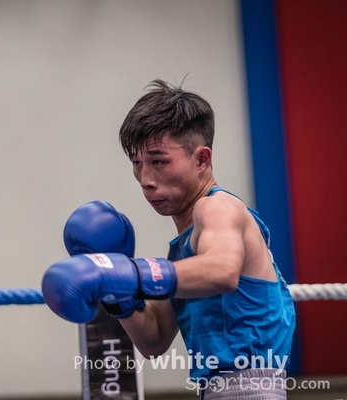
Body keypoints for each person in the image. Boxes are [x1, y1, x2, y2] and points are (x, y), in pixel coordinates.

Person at [42, 79, 296, 399]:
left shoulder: (217, 208)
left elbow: (223, 270)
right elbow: (154, 341)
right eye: (137, 163)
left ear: (202, 159)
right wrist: (119, 295)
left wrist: (130, 274)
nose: (145, 179)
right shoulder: (182, 253)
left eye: (158, 161)